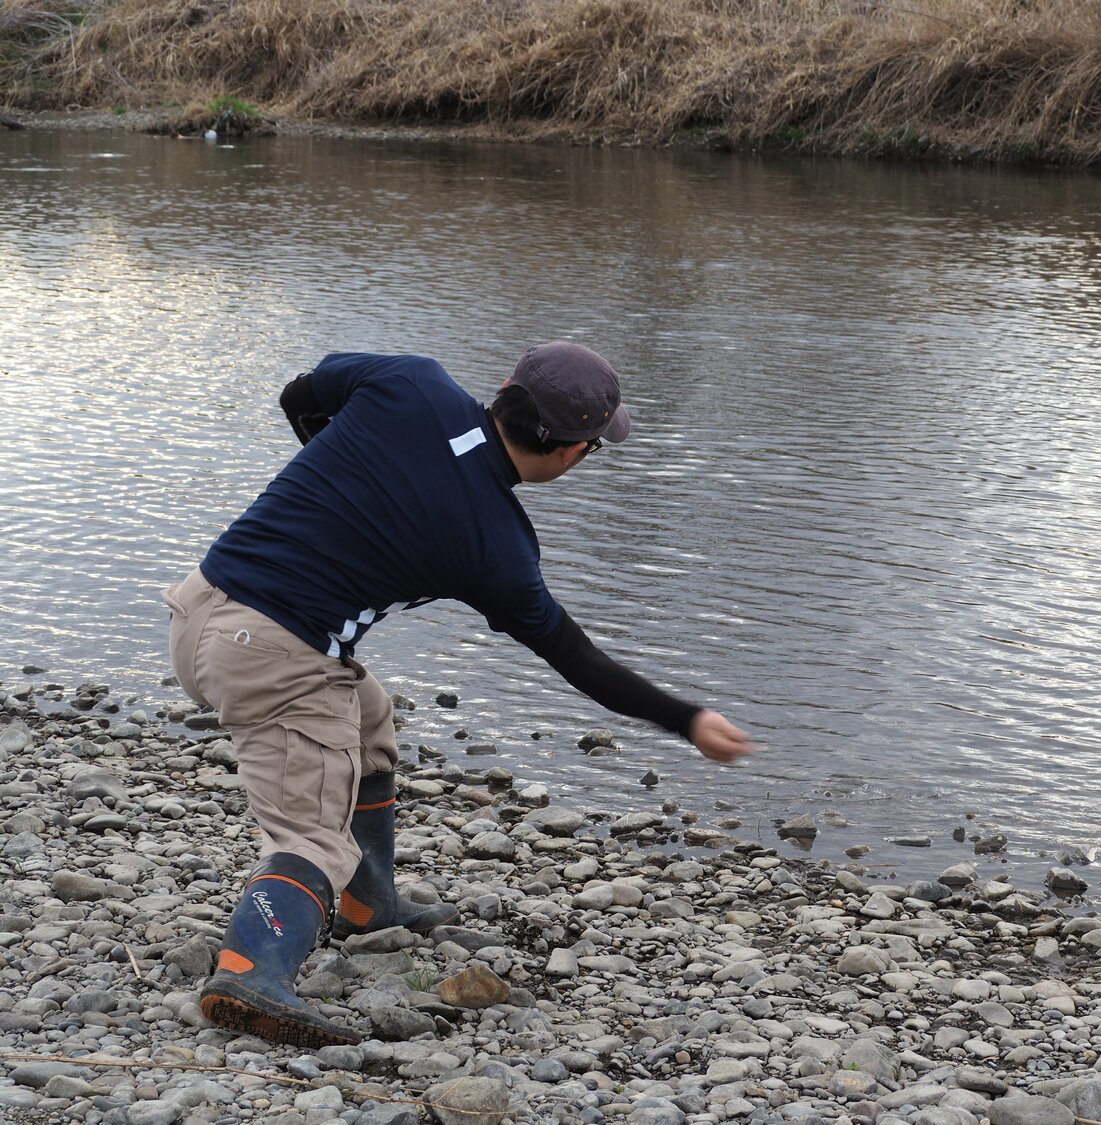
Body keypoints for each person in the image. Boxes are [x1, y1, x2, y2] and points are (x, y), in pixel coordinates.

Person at [164, 343, 754, 1048]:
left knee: (369, 721)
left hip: (199, 606)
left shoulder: (410, 383)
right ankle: (250, 971)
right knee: (309, 834)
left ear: (506, 386)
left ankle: (370, 905)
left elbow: (300, 393)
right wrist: (687, 719)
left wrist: (350, 486)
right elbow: (577, 659)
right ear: (573, 452)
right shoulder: (496, 545)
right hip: (272, 658)